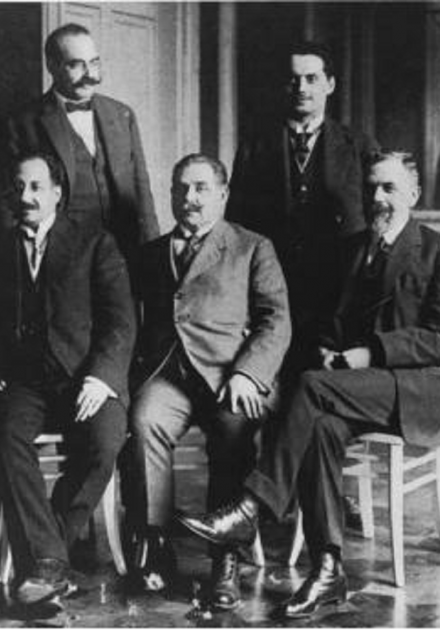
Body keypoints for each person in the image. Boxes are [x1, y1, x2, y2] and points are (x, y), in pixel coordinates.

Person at [180, 150, 440, 619]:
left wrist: (371, 352)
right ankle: (328, 567)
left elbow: (437, 338)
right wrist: (325, 347)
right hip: (355, 385)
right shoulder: (353, 249)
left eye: (389, 188)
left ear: (414, 194)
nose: (377, 198)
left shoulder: (435, 251)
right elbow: (327, 319)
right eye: (370, 188)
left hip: (418, 388)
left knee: (311, 387)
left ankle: (252, 507)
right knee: (319, 428)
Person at [127, 154, 291, 607]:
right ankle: (156, 545)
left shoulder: (252, 246)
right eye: (181, 188)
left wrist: (248, 374)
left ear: (223, 193)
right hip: (170, 375)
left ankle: (226, 560)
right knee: (144, 422)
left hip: (228, 375)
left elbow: (276, 319)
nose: (190, 198)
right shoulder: (151, 253)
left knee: (233, 430)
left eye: (201, 188)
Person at [0, 152, 136, 607]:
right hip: (23, 382)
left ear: (56, 192)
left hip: (84, 378)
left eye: (35, 187)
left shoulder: (95, 243)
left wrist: (101, 378)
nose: (25, 196)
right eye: (18, 187)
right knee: (5, 436)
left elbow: (121, 320)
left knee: (105, 442)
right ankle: (49, 561)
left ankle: (45, 558)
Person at [227, 40, 379, 375]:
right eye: (293, 79)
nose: (301, 88)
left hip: (338, 290)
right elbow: (236, 222)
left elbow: (375, 218)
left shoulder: (359, 145)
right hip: (273, 284)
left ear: (330, 84)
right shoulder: (256, 144)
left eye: (311, 78)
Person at [0, 23, 159, 265]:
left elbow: (141, 189)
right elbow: (8, 198)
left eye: (94, 62)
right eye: (76, 65)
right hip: (61, 257)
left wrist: (152, 250)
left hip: (123, 253)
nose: (90, 74)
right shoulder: (22, 122)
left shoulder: (122, 114)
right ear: (52, 66)